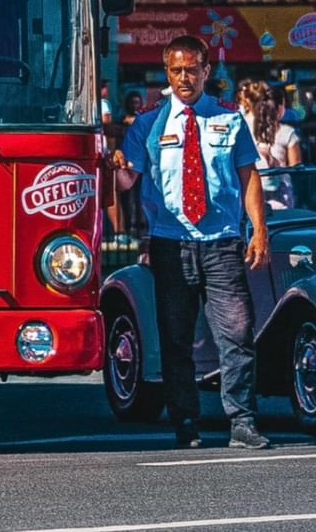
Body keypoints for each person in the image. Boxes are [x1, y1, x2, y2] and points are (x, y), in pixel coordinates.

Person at [111, 34, 270, 451]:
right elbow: (129, 179)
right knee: (175, 337)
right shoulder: (148, 123)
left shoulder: (228, 118)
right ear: (167, 73)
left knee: (237, 333)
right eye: (176, 70)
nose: (184, 78)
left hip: (221, 243)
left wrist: (259, 229)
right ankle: (185, 421)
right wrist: (119, 169)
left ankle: (242, 420)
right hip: (170, 242)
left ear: (206, 71)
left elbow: (248, 177)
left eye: (192, 70)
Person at [237, 79, 301, 207]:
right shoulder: (287, 132)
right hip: (281, 197)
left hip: (250, 191)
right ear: (280, 107)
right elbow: (297, 168)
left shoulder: (242, 127)